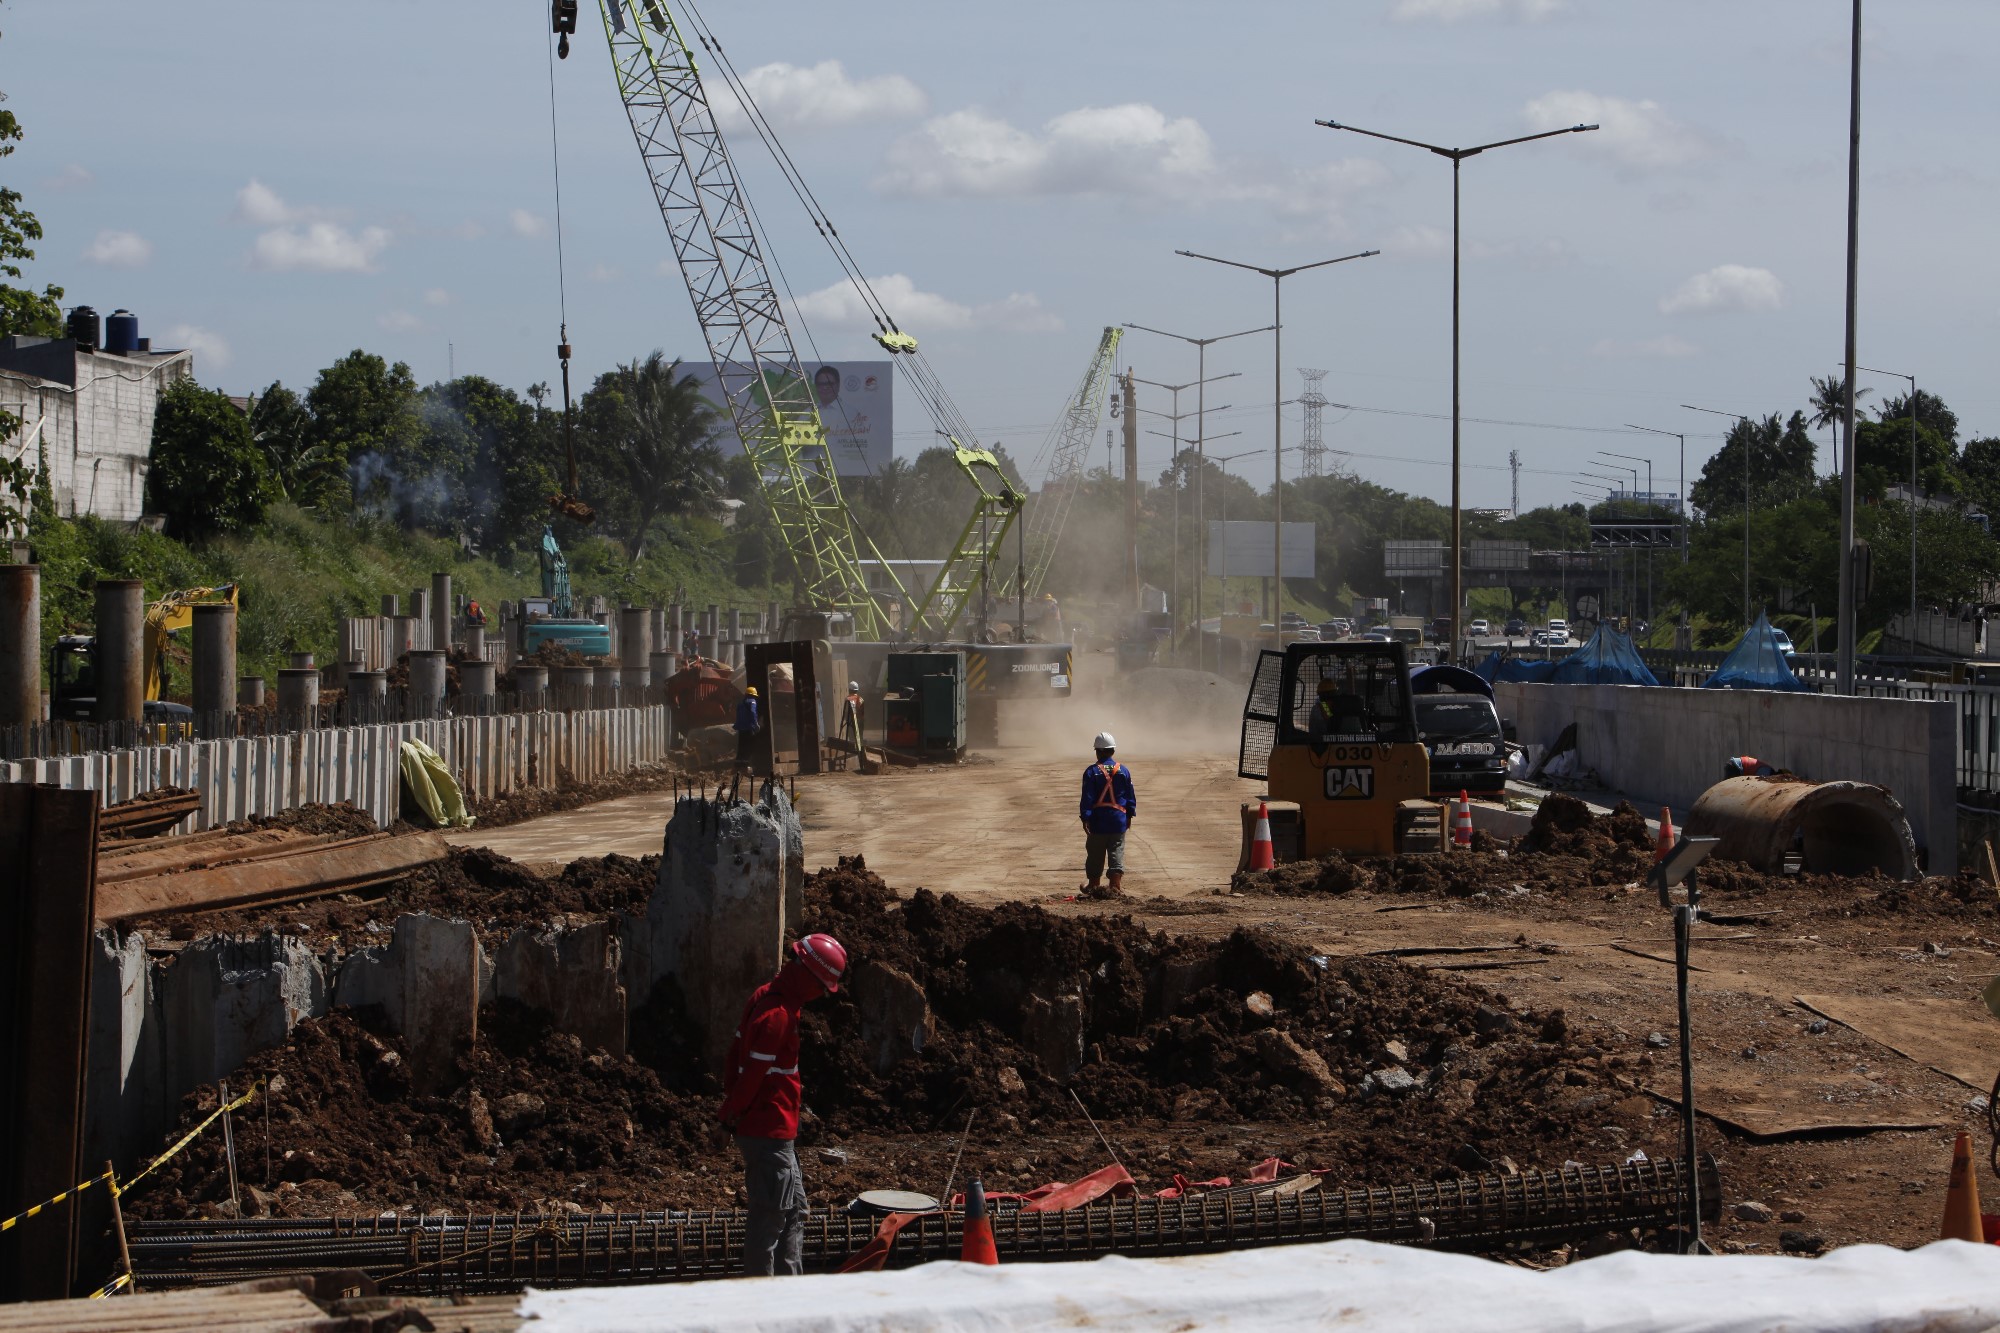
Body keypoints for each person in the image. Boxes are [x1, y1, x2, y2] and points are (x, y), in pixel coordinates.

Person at [717, 933, 847, 1276]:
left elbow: (734, 1056)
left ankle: (790, 1292)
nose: (821, 994)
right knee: (769, 1221)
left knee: (795, 1211)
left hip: (773, 1132)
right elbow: (752, 1076)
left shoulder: (765, 996)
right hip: (769, 1133)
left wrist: (731, 1110)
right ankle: (763, 1299)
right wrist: (729, 1118)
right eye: (821, 987)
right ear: (805, 975)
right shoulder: (779, 1016)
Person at [1079, 731, 1137, 894]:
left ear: (1097, 751)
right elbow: (1130, 795)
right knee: (1117, 850)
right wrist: (1130, 815)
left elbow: (1087, 797)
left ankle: (1094, 886)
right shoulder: (1123, 770)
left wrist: (1085, 818)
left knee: (1095, 853)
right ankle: (1115, 886)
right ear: (1113, 750)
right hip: (1118, 820)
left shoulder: (1091, 772)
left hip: (1098, 821)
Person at [735, 685, 761, 771]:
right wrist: (756, 724)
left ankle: (738, 766)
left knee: (741, 747)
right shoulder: (752, 701)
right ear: (753, 695)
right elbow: (753, 713)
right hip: (749, 728)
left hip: (741, 728)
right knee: (749, 747)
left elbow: (738, 715)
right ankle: (745, 767)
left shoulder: (741, 703)